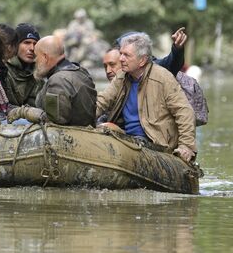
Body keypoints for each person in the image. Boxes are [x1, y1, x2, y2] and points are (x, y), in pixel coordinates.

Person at [96, 32, 196, 163]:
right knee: (105, 128)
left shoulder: (162, 77)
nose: (121, 59)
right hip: (129, 138)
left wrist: (186, 146)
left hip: (155, 142)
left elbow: (184, 111)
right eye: (121, 53)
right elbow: (102, 101)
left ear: (142, 60)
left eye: (126, 55)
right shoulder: (121, 77)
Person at [32, 35, 97, 126]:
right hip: (87, 131)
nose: (34, 60)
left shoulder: (57, 80)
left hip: (70, 135)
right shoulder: (81, 71)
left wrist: (26, 112)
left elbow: (55, 122)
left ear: (45, 57)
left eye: (36, 56)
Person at [4, 23, 42, 106]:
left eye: (35, 44)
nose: (32, 48)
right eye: (26, 42)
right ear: (15, 45)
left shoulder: (39, 72)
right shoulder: (3, 70)